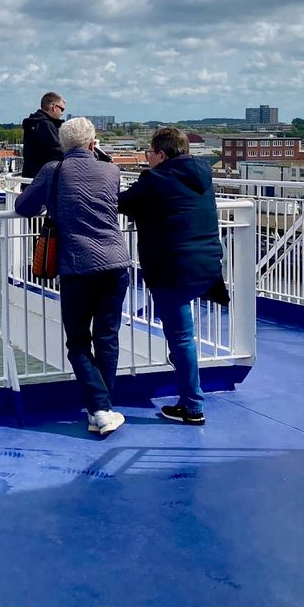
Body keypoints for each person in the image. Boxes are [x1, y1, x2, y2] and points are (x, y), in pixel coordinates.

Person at [15, 117, 131, 435]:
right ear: (93, 143)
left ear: (63, 145)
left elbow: (24, 206)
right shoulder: (112, 170)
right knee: (107, 338)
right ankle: (102, 408)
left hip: (78, 267)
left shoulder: (54, 170)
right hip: (117, 262)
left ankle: (100, 408)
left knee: (78, 341)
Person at [118, 126, 222, 426]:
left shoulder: (156, 178)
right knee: (182, 336)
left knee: (181, 339)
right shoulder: (202, 173)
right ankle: (186, 389)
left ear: (161, 154)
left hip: (172, 268)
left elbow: (122, 202)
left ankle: (192, 406)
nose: (147, 158)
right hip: (206, 263)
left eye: (149, 153)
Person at [21, 92, 65, 178]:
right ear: (54, 107)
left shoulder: (33, 122)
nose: (62, 113)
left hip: (31, 176)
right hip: (43, 177)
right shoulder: (45, 124)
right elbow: (56, 150)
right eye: (62, 109)